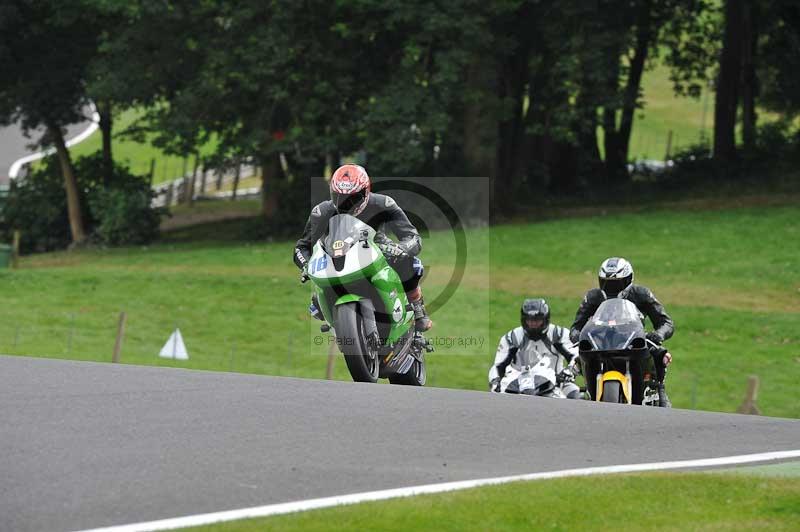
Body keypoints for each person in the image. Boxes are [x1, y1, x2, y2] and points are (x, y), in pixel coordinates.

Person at [293, 164, 432, 331]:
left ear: (366, 191)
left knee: (411, 264)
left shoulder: (383, 203)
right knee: (316, 306)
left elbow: (412, 236)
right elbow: (301, 247)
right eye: (338, 197)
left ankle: (417, 308)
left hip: (377, 249)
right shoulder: (321, 212)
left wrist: (402, 249)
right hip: (337, 256)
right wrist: (306, 265)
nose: (346, 203)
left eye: (353, 198)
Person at [569, 257, 674, 407]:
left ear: (628, 279)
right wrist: (576, 336)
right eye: (606, 282)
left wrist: (659, 334)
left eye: (616, 283)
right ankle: (588, 393)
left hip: (633, 339)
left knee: (661, 355)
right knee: (578, 358)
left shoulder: (641, 293)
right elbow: (576, 326)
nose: (611, 287)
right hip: (601, 343)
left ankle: (660, 394)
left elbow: (666, 322)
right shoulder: (593, 297)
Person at [489, 298, 581, 399]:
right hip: (518, 384)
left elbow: (576, 356)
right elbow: (498, 366)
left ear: (546, 319)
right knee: (496, 399)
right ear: (524, 320)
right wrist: (495, 382)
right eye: (530, 320)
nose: (533, 324)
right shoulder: (511, 338)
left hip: (557, 382)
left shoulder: (559, 334)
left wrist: (569, 371)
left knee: (578, 397)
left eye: (537, 320)